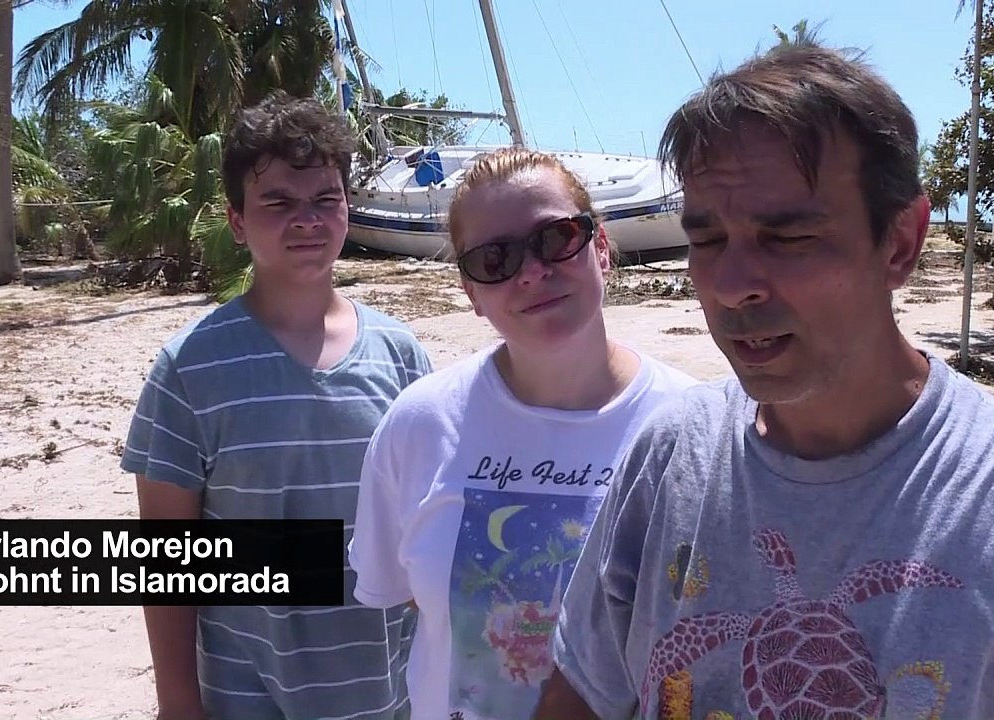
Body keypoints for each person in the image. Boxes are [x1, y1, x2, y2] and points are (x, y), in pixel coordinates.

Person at [535, 44, 994, 719]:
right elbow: (581, 692)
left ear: (899, 242)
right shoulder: (667, 457)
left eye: (788, 238)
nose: (732, 285)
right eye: (708, 239)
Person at [346, 146, 697, 720]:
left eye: (556, 239)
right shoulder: (420, 425)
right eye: (494, 259)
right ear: (470, 293)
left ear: (601, 248)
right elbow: (419, 607)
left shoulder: (690, 426)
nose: (532, 271)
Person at [121, 91, 431, 720]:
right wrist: (178, 704)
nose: (307, 220)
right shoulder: (189, 369)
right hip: (247, 695)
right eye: (278, 203)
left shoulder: (401, 355)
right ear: (237, 221)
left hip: (388, 694)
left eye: (325, 200)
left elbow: (422, 532)